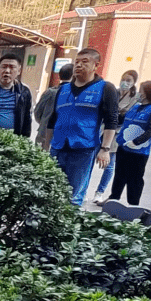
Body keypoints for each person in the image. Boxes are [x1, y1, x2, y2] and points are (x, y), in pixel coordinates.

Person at [45, 48, 120, 207]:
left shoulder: (105, 88)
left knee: (75, 195)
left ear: (95, 65)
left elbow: (111, 120)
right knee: (50, 192)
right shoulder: (63, 90)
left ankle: (69, 226)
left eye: (84, 62)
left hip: (83, 149)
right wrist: (45, 148)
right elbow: (53, 119)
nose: (79, 65)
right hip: (58, 147)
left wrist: (105, 149)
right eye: (77, 62)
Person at [108, 80, 151, 206]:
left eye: (141, 91)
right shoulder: (135, 106)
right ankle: (113, 199)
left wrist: (136, 142)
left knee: (134, 179)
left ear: (147, 93)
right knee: (119, 176)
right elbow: (122, 120)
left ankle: (133, 205)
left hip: (139, 152)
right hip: (123, 148)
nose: (138, 93)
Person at [92, 69, 138, 204]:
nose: (125, 83)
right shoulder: (114, 92)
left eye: (128, 81)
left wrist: (117, 113)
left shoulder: (135, 97)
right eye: (123, 79)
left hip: (117, 133)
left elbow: (127, 115)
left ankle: (99, 192)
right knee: (90, 159)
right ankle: (83, 190)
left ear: (134, 82)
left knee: (109, 164)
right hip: (101, 130)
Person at [34, 63, 74, 150]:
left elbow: (37, 112)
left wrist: (44, 122)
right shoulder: (75, 95)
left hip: (44, 134)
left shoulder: (50, 92)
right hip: (65, 138)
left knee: (40, 160)